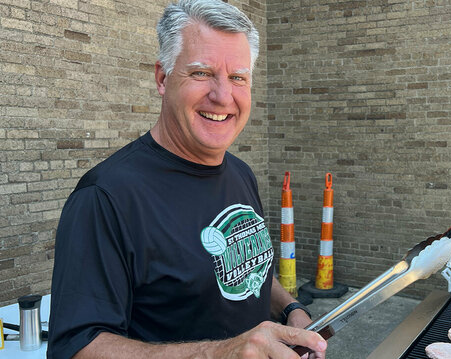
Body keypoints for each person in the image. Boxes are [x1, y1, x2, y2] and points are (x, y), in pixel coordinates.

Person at [47, 1, 326, 358]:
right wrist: (221, 353)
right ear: (163, 78)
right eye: (201, 73)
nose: (223, 96)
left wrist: (291, 310)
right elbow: (75, 348)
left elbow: (246, 275)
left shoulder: (240, 173)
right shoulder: (107, 196)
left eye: (238, 77)